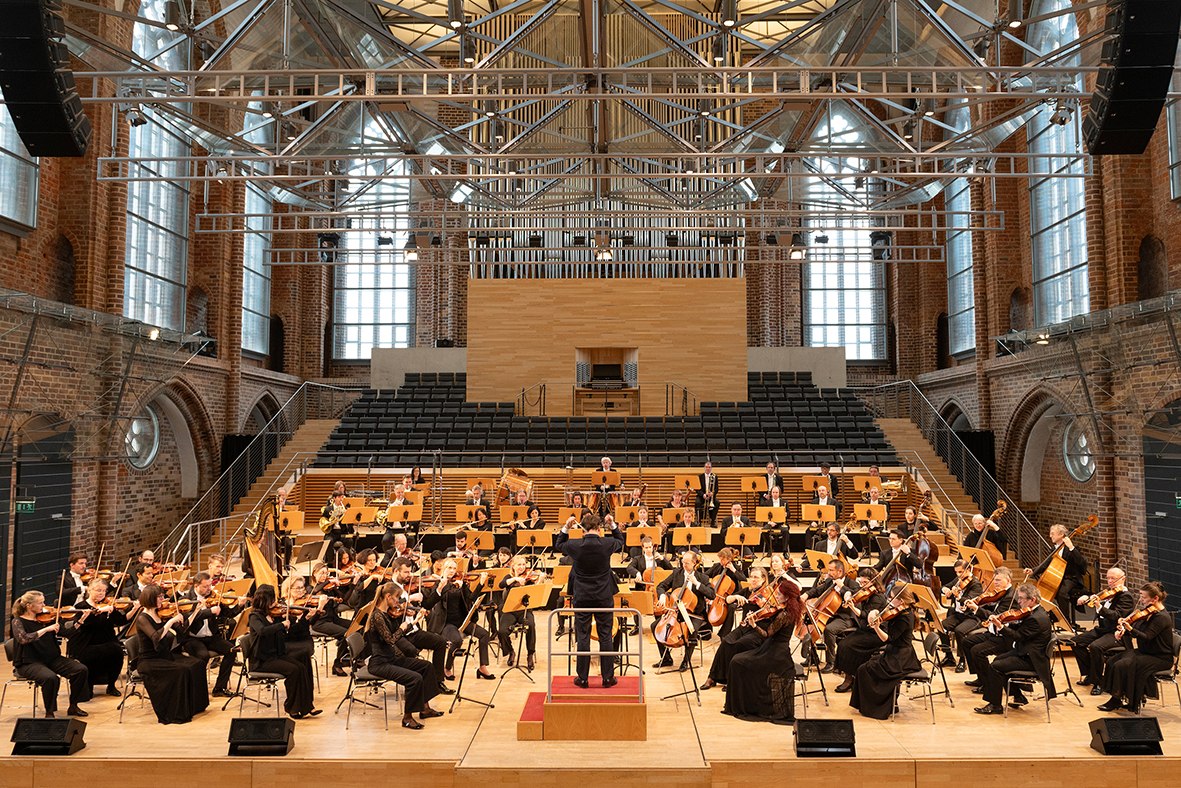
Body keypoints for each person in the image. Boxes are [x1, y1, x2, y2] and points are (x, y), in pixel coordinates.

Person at [364, 582, 444, 729]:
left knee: (426, 667)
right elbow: (391, 640)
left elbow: (399, 632)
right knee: (414, 678)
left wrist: (413, 621)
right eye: (397, 598)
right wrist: (401, 627)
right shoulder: (377, 616)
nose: (398, 602)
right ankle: (407, 718)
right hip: (380, 663)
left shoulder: (387, 614)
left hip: (392, 659)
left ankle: (424, 708)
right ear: (388, 597)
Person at [722, 576, 803, 721]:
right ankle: (745, 703)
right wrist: (755, 618)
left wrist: (754, 625)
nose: (776, 596)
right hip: (771, 648)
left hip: (776, 654)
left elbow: (767, 634)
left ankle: (746, 706)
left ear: (787, 597)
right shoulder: (786, 610)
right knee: (737, 660)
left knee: (737, 662)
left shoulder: (784, 614)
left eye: (779, 594)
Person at [558, 513, 624, 687]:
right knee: (605, 636)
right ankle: (608, 678)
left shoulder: (575, 544)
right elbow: (620, 540)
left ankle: (583, 678)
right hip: (603, 597)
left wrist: (566, 526)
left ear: (582, 530)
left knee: (583, 636)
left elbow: (559, 544)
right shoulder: (607, 544)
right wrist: (613, 524)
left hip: (582, 597)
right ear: (599, 529)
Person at [974, 583, 1054, 714]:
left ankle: (995, 705)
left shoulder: (1036, 618)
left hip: (1032, 660)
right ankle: (1018, 696)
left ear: (1032, 600)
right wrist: (1008, 622)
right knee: (998, 659)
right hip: (1026, 652)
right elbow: (1021, 630)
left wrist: (1001, 626)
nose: (1019, 601)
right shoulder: (1035, 612)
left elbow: (1018, 636)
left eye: (1022, 598)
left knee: (995, 666)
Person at [134, 585, 210, 724]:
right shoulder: (142, 618)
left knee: (197, 664)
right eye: (160, 597)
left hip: (165, 656)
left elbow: (183, 629)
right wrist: (171, 621)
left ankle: (195, 706)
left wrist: (196, 611)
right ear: (151, 598)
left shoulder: (162, 613)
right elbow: (156, 637)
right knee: (181, 671)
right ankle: (176, 711)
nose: (163, 599)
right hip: (150, 661)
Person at [10, 590, 90, 717]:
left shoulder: (48, 619)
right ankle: (49, 712)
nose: (44, 605)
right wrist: (46, 629)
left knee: (80, 670)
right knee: (50, 678)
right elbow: (23, 639)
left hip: (52, 659)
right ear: (29, 606)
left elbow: (67, 633)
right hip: (29, 662)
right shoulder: (18, 621)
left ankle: (74, 706)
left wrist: (81, 620)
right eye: (40, 603)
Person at [1099, 582, 1174, 713]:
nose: (1141, 600)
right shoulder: (1147, 613)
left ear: (1155, 598)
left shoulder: (1161, 617)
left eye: (1144, 597)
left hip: (1159, 657)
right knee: (1112, 661)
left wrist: (1131, 628)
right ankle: (1119, 697)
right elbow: (1137, 629)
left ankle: (1116, 699)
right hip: (1145, 652)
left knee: (1122, 665)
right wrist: (1124, 630)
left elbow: (1146, 636)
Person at [247, 584, 319, 719]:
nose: (275, 602)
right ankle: (291, 707)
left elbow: (292, 631)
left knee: (301, 666)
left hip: (277, 655)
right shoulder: (255, 617)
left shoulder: (276, 615)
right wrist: (280, 625)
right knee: (294, 670)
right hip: (262, 660)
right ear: (264, 600)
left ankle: (306, 706)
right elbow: (263, 631)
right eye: (272, 599)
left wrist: (306, 619)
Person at [849, 588, 921, 719]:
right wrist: (877, 614)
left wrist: (876, 627)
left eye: (893, 598)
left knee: (865, 669)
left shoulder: (904, 618)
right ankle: (873, 705)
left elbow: (887, 638)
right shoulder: (902, 612)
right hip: (895, 652)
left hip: (900, 657)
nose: (890, 600)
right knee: (865, 667)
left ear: (902, 601)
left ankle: (876, 708)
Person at [702, 566, 770, 689]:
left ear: (764, 579)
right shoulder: (747, 591)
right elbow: (727, 600)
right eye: (751, 577)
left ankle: (731, 679)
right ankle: (712, 677)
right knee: (726, 642)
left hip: (757, 629)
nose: (753, 580)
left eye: (756, 577)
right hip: (744, 626)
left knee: (737, 645)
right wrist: (735, 597)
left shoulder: (768, 594)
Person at [652, 550, 715, 672]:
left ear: (694, 563)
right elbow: (661, 586)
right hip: (675, 612)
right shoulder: (677, 573)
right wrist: (662, 595)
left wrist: (697, 584)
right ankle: (666, 659)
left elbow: (712, 595)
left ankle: (686, 660)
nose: (684, 565)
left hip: (695, 614)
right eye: (682, 562)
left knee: (692, 630)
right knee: (655, 626)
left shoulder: (703, 577)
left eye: (687, 563)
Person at [1074, 567, 1135, 694]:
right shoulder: (1110, 592)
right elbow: (1097, 597)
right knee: (1076, 642)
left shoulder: (1126, 597)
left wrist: (1099, 607)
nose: (1110, 581)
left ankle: (1098, 683)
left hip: (1116, 633)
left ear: (1123, 579)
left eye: (1113, 578)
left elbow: (1116, 616)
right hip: (1103, 630)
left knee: (1096, 647)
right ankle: (1091, 674)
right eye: (1108, 578)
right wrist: (1086, 597)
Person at [178, 571, 238, 697]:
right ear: (196, 586)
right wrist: (209, 611)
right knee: (203, 656)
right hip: (192, 639)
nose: (209, 589)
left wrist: (240, 606)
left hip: (211, 637)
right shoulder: (185, 600)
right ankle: (199, 691)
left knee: (232, 651)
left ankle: (219, 688)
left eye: (210, 585)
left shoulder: (213, 597)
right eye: (205, 586)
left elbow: (229, 614)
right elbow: (190, 618)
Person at [70, 578, 133, 698]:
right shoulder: (81, 606)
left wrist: (135, 608)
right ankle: (89, 685)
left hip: (107, 640)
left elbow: (121, 620)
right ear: (89, 590)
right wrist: (101, 610)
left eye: (104, 591)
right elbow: (86, 624)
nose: (101, 593)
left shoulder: (108, 606)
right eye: (98, 590)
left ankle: (111, 685)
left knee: (117, 652)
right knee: (93, 655)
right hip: (88, 642)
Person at [436, 558, 496, 681]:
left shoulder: (460, 583)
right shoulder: (439, 584)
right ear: (443, 569)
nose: (452, 571)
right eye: (449, 568)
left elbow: (471, 598)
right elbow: (438, 598)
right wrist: (450, 585)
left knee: (484, 634)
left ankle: (482, 667)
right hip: (447, 623)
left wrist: (481, 583)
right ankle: (447, 668)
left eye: (454, 568)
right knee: (457, 641)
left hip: (463, 621)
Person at [961, 567, 1019, 685]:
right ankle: (981, 677)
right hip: (992, 633)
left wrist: (977, 608)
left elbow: (995, 616)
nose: (995, 583)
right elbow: (992, 607)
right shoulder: (1001, 593)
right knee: (966, 642)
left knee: (977, 651)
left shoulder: (1010, 597)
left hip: (1003, 637)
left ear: (1008, 581)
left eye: (998, 580)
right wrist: (975, 604)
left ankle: (988, 682)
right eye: (995, 580)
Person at [833, 569, 888, 690]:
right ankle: (851, 675)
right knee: (842, 642)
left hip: (876, 633)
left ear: (873, 582)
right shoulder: (865, 592)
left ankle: (850, 678)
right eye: (861, 582)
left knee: (847, 645)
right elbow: (852, 591)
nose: (862, 585)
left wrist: (852, 607)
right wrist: (846, 593)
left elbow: (866, 616)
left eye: (865, 583)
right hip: (865, 629)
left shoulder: (878, 598)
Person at [803, 559, 859, 673]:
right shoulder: (830, 582)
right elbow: (818, 590)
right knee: (809, 623)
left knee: (829, 630)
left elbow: (855, 597)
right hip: (831, 615)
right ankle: (813, 657)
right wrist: (806, 594)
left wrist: (842, 587)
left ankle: (831, 662)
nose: (828, 572)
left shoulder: (852, 583)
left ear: (840, 571)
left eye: (831, 570)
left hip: (846, 617)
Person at [1026, 523, 1087, 626]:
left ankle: (1066, 621)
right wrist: (1033, 571)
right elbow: (1046, 564)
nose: (1050, 536)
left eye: (1053, 533)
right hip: (1058, 578)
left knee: (1061, 593)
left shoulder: (1072, 548)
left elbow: (1082, 565)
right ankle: (1052, 617)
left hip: (1071, 578)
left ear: (1061, 534)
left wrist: (1071, 547)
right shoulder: (1054, 549)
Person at [499, 556, 546, 669]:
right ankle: (511, 651)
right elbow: (501, 584)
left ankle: (530, 654)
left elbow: (536, 592)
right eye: (519, 564)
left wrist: (540, 579)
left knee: (530, 625)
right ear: (513, 566)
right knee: (502, 631)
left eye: (523, 564)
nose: (522, 567)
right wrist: (515, 579)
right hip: (510, 611)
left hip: (524, 610)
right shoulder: (509, 577)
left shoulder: (528, 579)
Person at [937, 559, 983, 671]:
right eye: (956, 572)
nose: (958, 575)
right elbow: (943, 587)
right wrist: (946, 590)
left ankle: (963, 660)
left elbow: (968, 601)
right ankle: (949, 657)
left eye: (960, 572)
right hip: (958, 614)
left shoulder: (976, 584)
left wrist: (958, 596)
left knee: (959, 631)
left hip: (972, 617)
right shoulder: (958, 579)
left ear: (968, 570)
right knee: (941, 626)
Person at [706, 548, 747, 637]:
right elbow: (705, 575)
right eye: (720, 559)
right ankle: (707, 631)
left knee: (731, 607)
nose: (721, 561)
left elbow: (744, 579)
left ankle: (724, 633)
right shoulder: (717, 566)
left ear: (729, 559)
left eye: (723, 559)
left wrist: (734, 570)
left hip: (733, 596)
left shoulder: (735, 567)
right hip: (717, 596)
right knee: (703, 603)